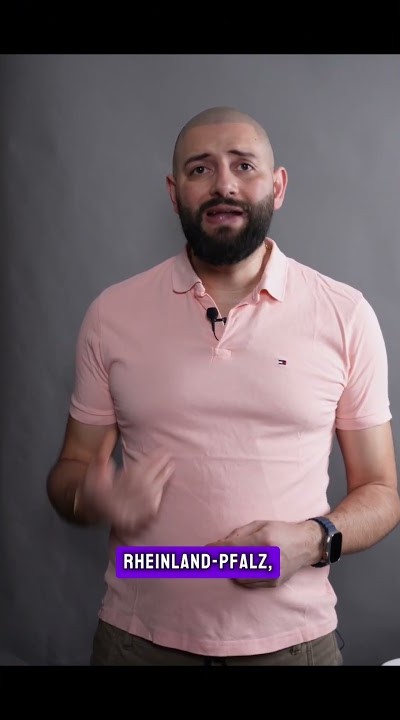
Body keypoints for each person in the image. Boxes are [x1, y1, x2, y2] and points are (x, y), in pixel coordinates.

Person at [47, 105, 400, 666]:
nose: (224, 185)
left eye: (243, 165)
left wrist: (313, 539)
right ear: (175, 193)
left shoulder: (345, 315)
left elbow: (382, 490)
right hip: (136, 643)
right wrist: (91, 496)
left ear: (277, 187)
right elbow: (70, 470)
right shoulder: (111, 314)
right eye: (200, 169)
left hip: (294, 646)